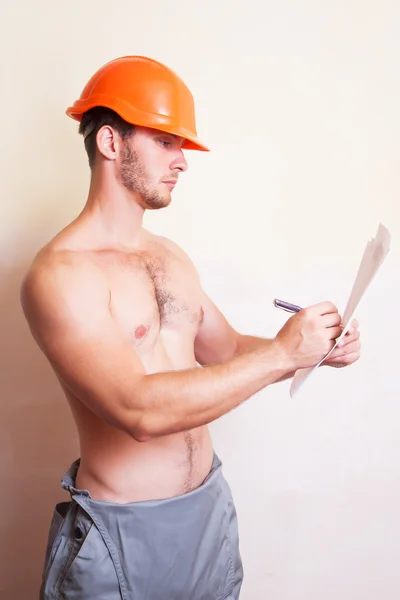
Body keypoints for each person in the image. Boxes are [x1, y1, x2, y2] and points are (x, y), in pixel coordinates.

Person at [20, 56, 361, 600]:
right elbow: (138, 409)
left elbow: (227, 351)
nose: (182, 161)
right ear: (111, 142)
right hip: (122, 536)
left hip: (206, 516)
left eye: (181, 146)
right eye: (165, 142)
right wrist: (281, 355)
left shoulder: (170, 256)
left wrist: (309, 348)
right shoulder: (60, 273)